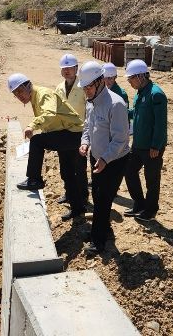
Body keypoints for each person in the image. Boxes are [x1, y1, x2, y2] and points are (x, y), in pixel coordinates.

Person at [7, 73, 86, 221]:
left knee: (37, 141)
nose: (19, 96)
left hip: (72, 133)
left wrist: (32, 125)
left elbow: (49, 114)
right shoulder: (35, 97)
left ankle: (34, 179)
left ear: (28, 85)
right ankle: (78, 207)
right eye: (16, 94)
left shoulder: (43, 94)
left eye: (20, 91)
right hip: (66, 132)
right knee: (67, 173)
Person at [78, 61, 130, 254]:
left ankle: (98, 241)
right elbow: (87, 126)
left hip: (114, 161)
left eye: (89, 87)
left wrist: (106, 159)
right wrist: (85, 142)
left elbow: (120, 140)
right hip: (97, 158)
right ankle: (102, 229)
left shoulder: (116, 104)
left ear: (100, 81)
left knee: (103, 199)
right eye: (84, 88)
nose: (86, 91)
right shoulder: (91, 102)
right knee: (97, 195)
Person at [122, 59, 167, 221]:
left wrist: (156, 146)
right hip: (138, 144)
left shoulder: (156, 94)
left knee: (152, 179)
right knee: (129, 171)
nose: (129, 82)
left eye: (131, 78)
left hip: (151, 147)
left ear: (141, 76)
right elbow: (136, 113)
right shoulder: (140, 92)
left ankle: (151, 210)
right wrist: (121, 111)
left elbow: (160, 124)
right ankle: (139, 204)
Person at [55, 54, 89, 204]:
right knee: (65, 167)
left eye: (70, 68)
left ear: (76, 69)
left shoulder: (83, 87)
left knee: (79, 167)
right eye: (64, 68)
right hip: (63, 133)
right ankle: (69, 193)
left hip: (79, 133)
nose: (67, 71)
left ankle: (83, 196)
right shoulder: (59, 88)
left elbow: (89, 111)